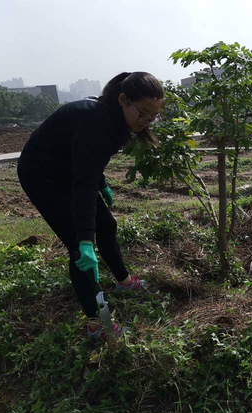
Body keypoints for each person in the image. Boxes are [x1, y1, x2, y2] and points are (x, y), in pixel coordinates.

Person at [18, 72, 164, 340]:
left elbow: (90, 160)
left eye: (152, 116)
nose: (145, 122)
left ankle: (123, 282)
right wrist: (86, 241)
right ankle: (99, 325)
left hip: (68, 170)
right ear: (123, 100)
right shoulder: (97, 121)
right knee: (79, 251)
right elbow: (84, 183)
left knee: (106, 225)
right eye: (142, 114)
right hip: (41, 175)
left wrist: (102, 183)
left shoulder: (116, 120)